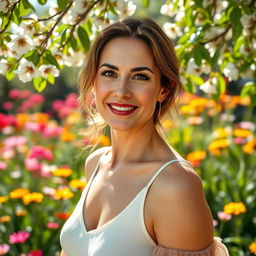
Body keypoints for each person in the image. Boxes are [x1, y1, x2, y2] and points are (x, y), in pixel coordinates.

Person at [60, 18, 230, 256]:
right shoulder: (96, 164)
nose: (121, 91)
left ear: (164, 88)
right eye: (109, 73)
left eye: (140, 76)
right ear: (94, 82)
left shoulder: (175, 186)